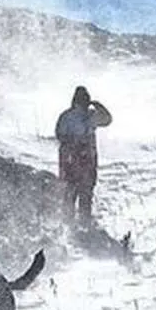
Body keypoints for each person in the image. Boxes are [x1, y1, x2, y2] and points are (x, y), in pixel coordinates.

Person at [54, 85, 112, 226]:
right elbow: (107, 119)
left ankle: (73, 226)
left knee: (74, 195)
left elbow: (107, 120)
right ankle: (79, 226)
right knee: (79, 196)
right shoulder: (83, 116)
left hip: (77, 162)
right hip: (78, 162)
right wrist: (97, 106)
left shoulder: (79, 115)